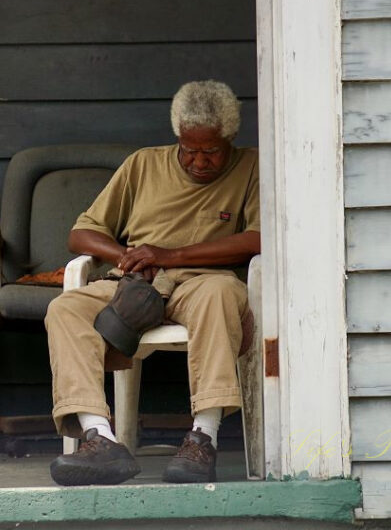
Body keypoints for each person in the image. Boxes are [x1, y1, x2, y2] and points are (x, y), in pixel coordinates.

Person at [45, 80, 260, 486]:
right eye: (189, 149)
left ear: (229, 140)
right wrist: (124, 256)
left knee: (220, 295)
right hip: (136, 280)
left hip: (203, 281)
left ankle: (203, 437)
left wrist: (170, 255)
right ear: (177, 137)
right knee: (65, 308)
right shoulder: (143, 163)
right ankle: (100, 439)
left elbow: (259, 238)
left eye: (210, 151)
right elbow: (82, 232)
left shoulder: (252, 167)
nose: (198, 161)